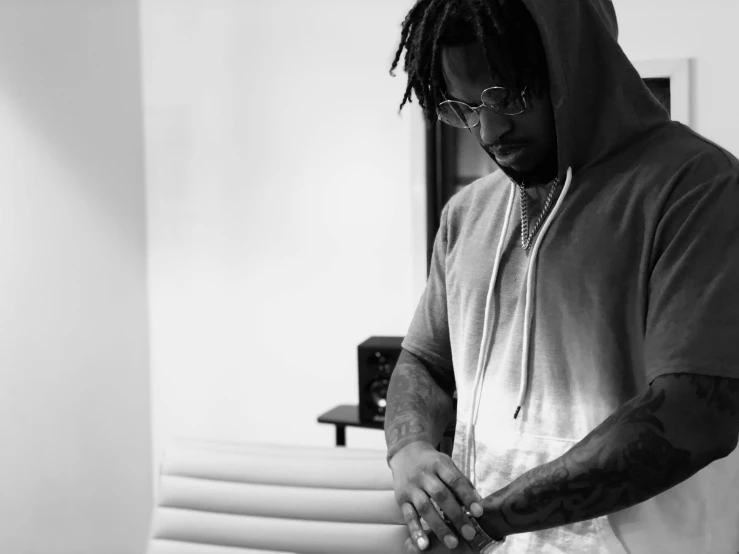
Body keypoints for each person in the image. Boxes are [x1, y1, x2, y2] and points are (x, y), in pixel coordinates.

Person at [383, 0, 739, 553]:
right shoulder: (467, 214)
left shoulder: (696, 188)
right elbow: (424, 361)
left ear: (578, 64)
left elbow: (694, 416)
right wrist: (408, 452)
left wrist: (488, 518)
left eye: (511, 95)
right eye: (466, 107)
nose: (491, 129)